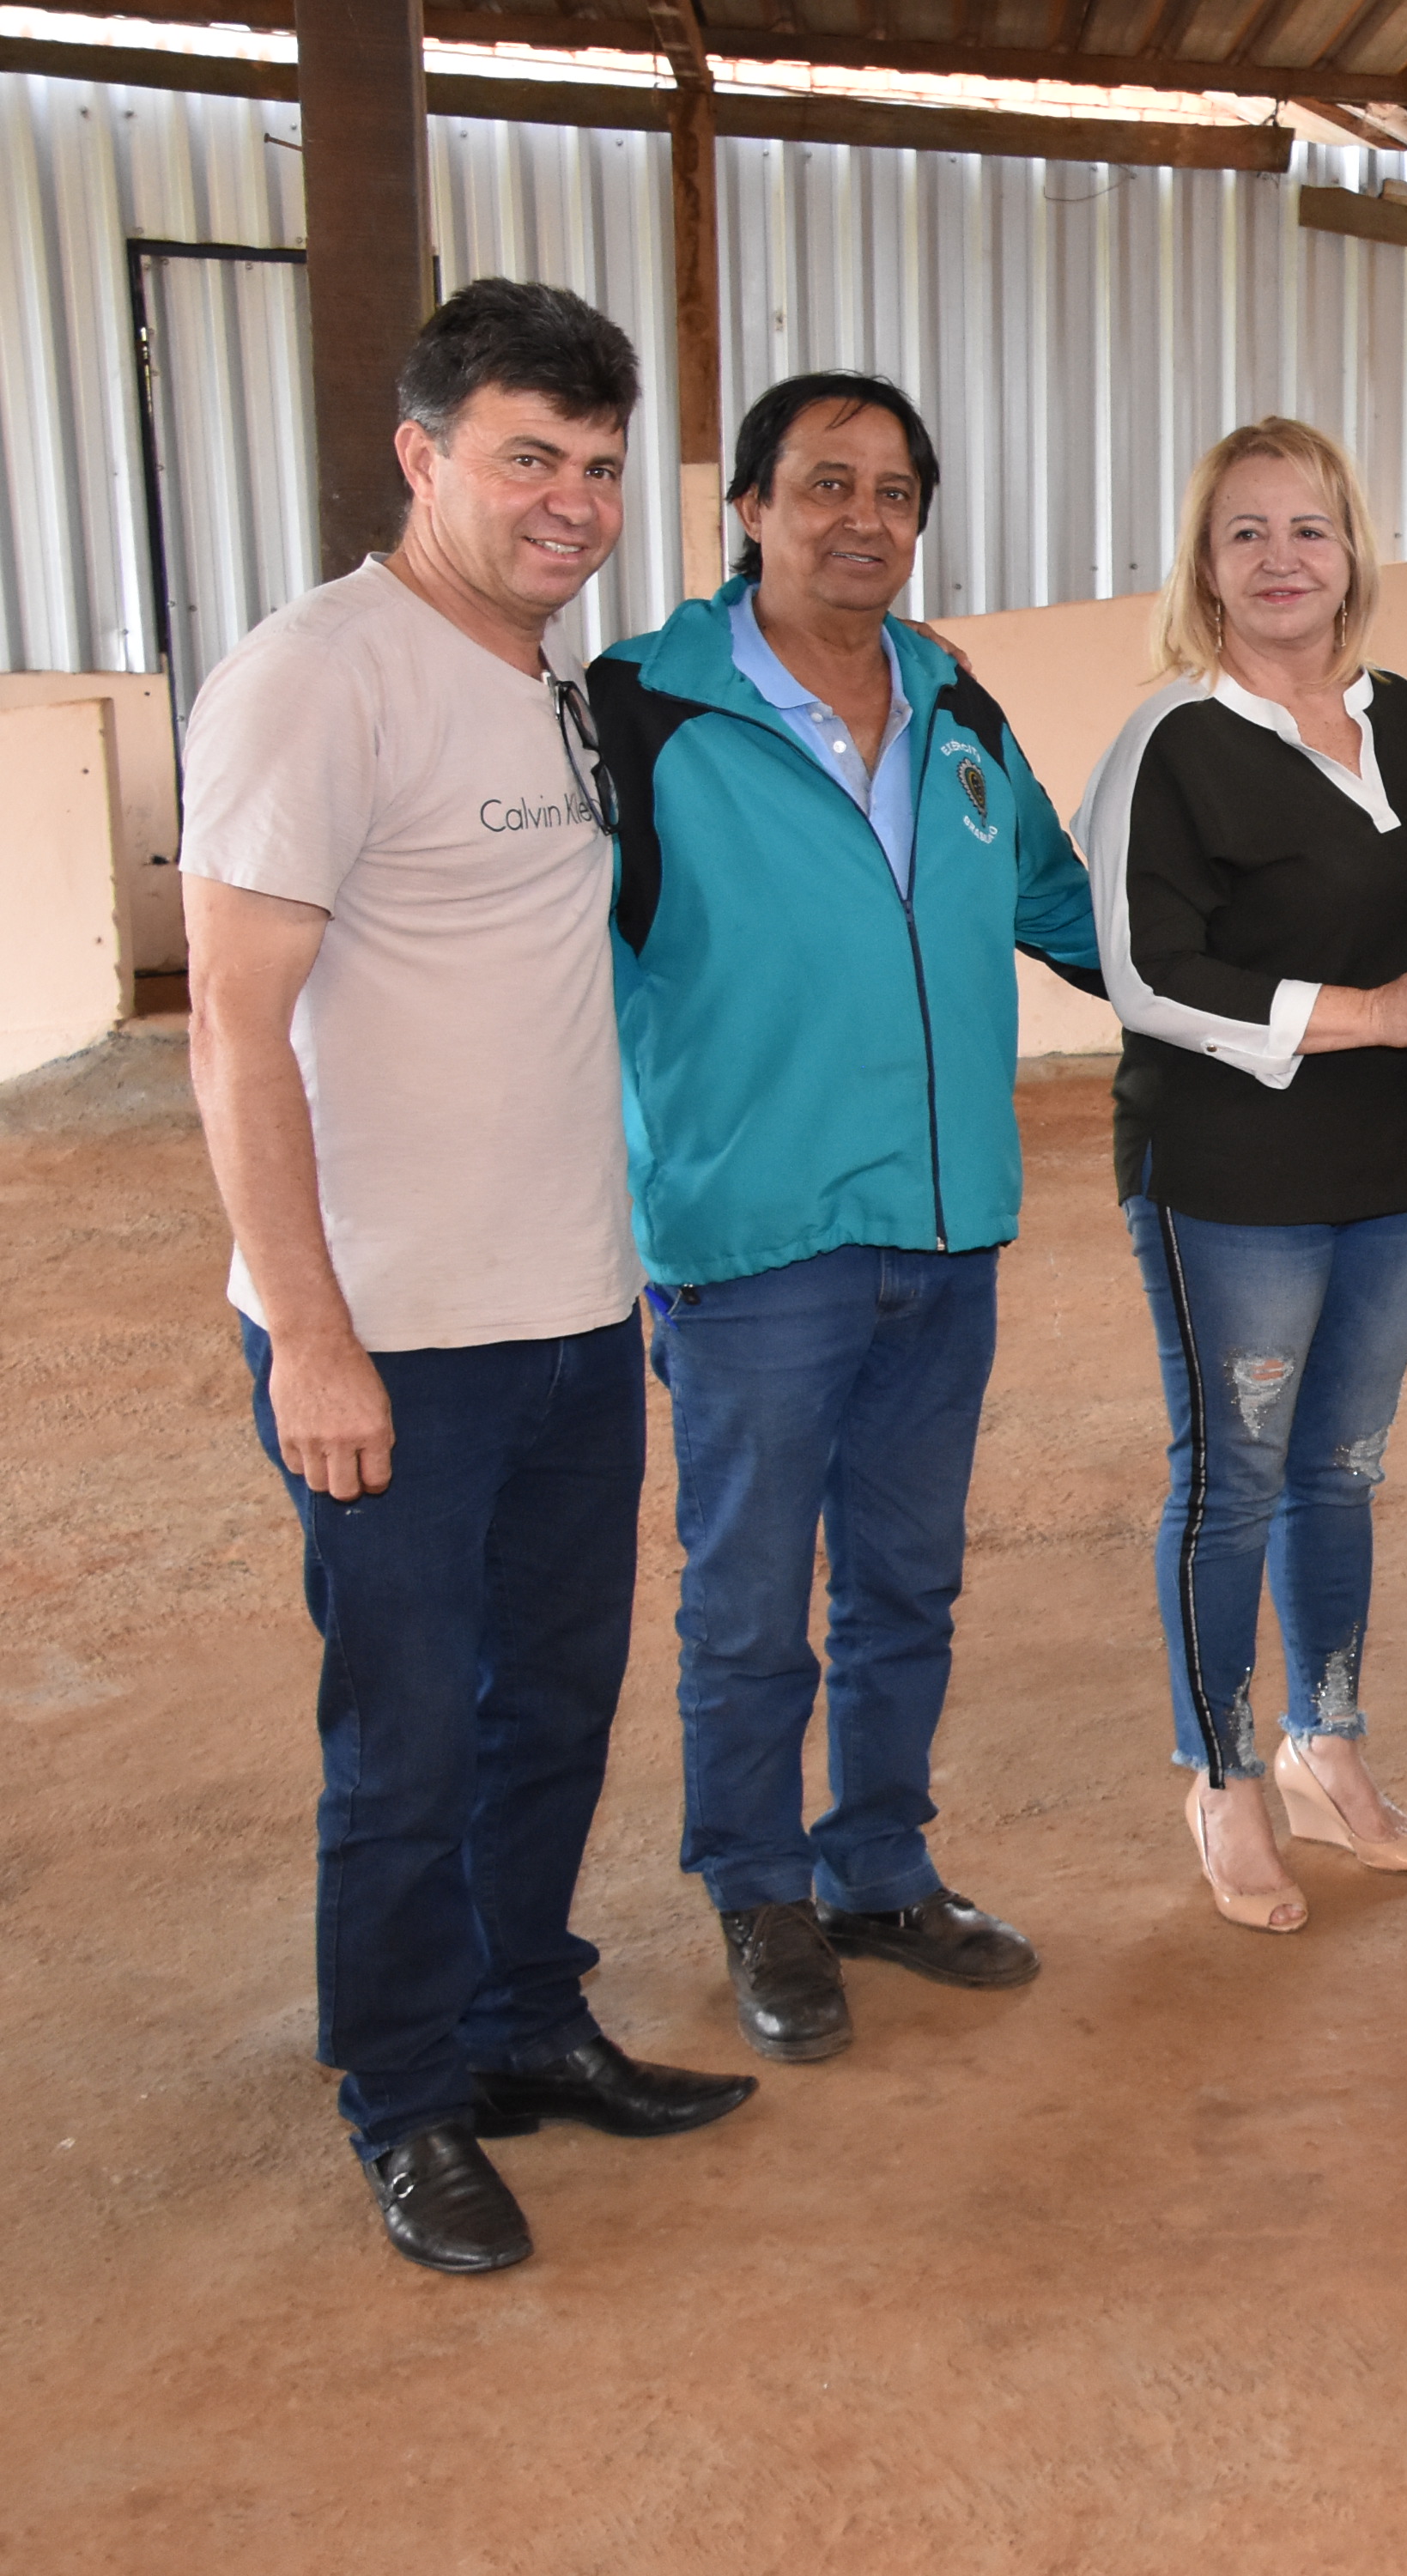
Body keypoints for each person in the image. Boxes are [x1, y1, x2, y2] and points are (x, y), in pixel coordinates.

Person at [182, 280, 755, 2275]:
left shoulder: (538, 678)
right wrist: (314, 1337)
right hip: (392, 1344)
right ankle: (405, 2098)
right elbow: (232, 1034)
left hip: (571, 1312)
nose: (572, 503)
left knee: (554, 1710)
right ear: (423, 456)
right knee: (408, 1735)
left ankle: (522, 2022)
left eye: (600, 469)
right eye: (530, 457)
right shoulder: (315, 676)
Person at [591, 371, 1103, 2063]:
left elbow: (1059, 904)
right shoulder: (639, 716)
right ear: (746, 509)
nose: (861, 519)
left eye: (892, 490)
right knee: (746, 1599)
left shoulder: (956, 706)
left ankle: (878, 1866)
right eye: (823, 485)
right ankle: (757, 1888)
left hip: (943, 1232)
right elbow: (540, 967)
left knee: (906, 1581)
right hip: (753, 1243)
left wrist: (1281, 998)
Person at [1071, 419, 1407, 1931]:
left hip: (1391, 1165)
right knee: (1235, 1475)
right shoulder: (1169, 744)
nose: (1279, 559)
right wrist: (1369, 1013)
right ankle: (1224, 1774)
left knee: (1344, 1472)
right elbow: (1144, 970)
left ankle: (1329, 1746)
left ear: (1353, 552)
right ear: (1205, 563)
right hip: (1229, 1172)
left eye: (1308, 528)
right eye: (1244, 532)